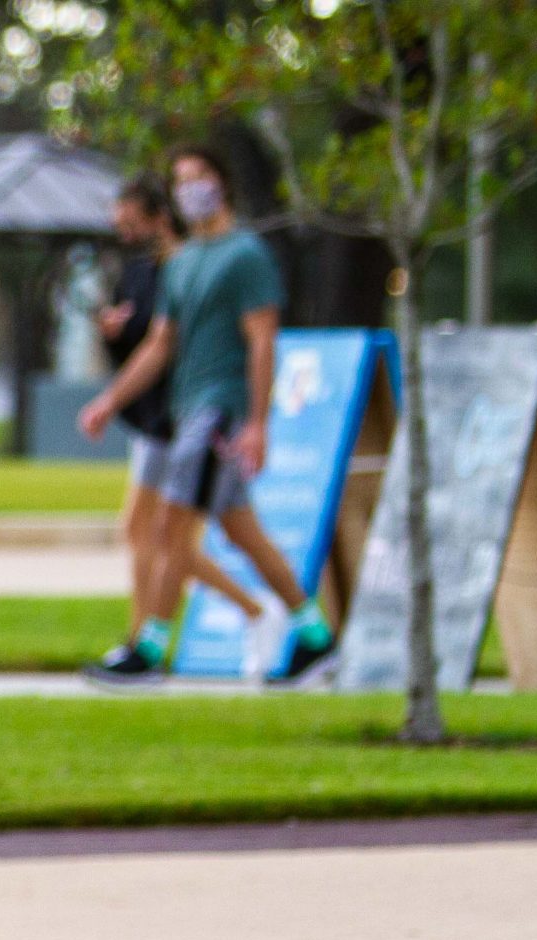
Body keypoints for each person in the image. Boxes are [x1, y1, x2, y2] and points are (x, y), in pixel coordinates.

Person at [79, 145, 334, 685]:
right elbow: (158, 345)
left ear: (223, 183)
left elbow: (263, 342)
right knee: (241, 532)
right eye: (180, 181)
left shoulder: (247, 256)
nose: (190, 189)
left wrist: (258, 423)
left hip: (220, 410)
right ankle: (316, 637)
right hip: (188, 406)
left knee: (169, 524)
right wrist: (109, 401)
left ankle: (149, 650)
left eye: (200, 177)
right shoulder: (184, 263)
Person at [91, 173, 260, 675]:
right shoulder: (143, 272)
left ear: (160, 219)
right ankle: (149, 637)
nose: (125, 235)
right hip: (152, 418)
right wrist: (112, 336)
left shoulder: (193, 268)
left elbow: (182, 346)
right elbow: (143, 346)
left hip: (184, 416)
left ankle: (153, 640)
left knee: (167, 534)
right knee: (150, 532)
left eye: (132, 224)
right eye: (119, 226)